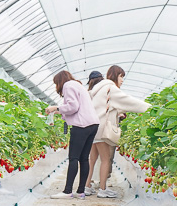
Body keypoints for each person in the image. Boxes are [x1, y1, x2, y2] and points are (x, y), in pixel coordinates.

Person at [85, 65, 149, 198]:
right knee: (106, 159)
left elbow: (104, 107)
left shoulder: (95, 90)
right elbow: (130, 102)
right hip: (102, 130)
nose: (122, 80)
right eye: (121, 76)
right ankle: (102, 189)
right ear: (115, 75)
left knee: (92, 159)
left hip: (92, 129)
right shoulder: (110, 88)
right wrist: (152, 109)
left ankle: (86, 187)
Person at [45, 70, 100, 199]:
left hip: (81, 125)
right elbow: (76, 108)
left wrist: (56, 108)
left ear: (60, 81)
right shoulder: (78, 85)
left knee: (74, 158)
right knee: (84, 158)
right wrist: (57, 111)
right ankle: (81, 192)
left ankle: (67, 191)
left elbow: (73, 106)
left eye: (56, 84)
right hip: (93, 124)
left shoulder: (68, 86)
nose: (56, 87)